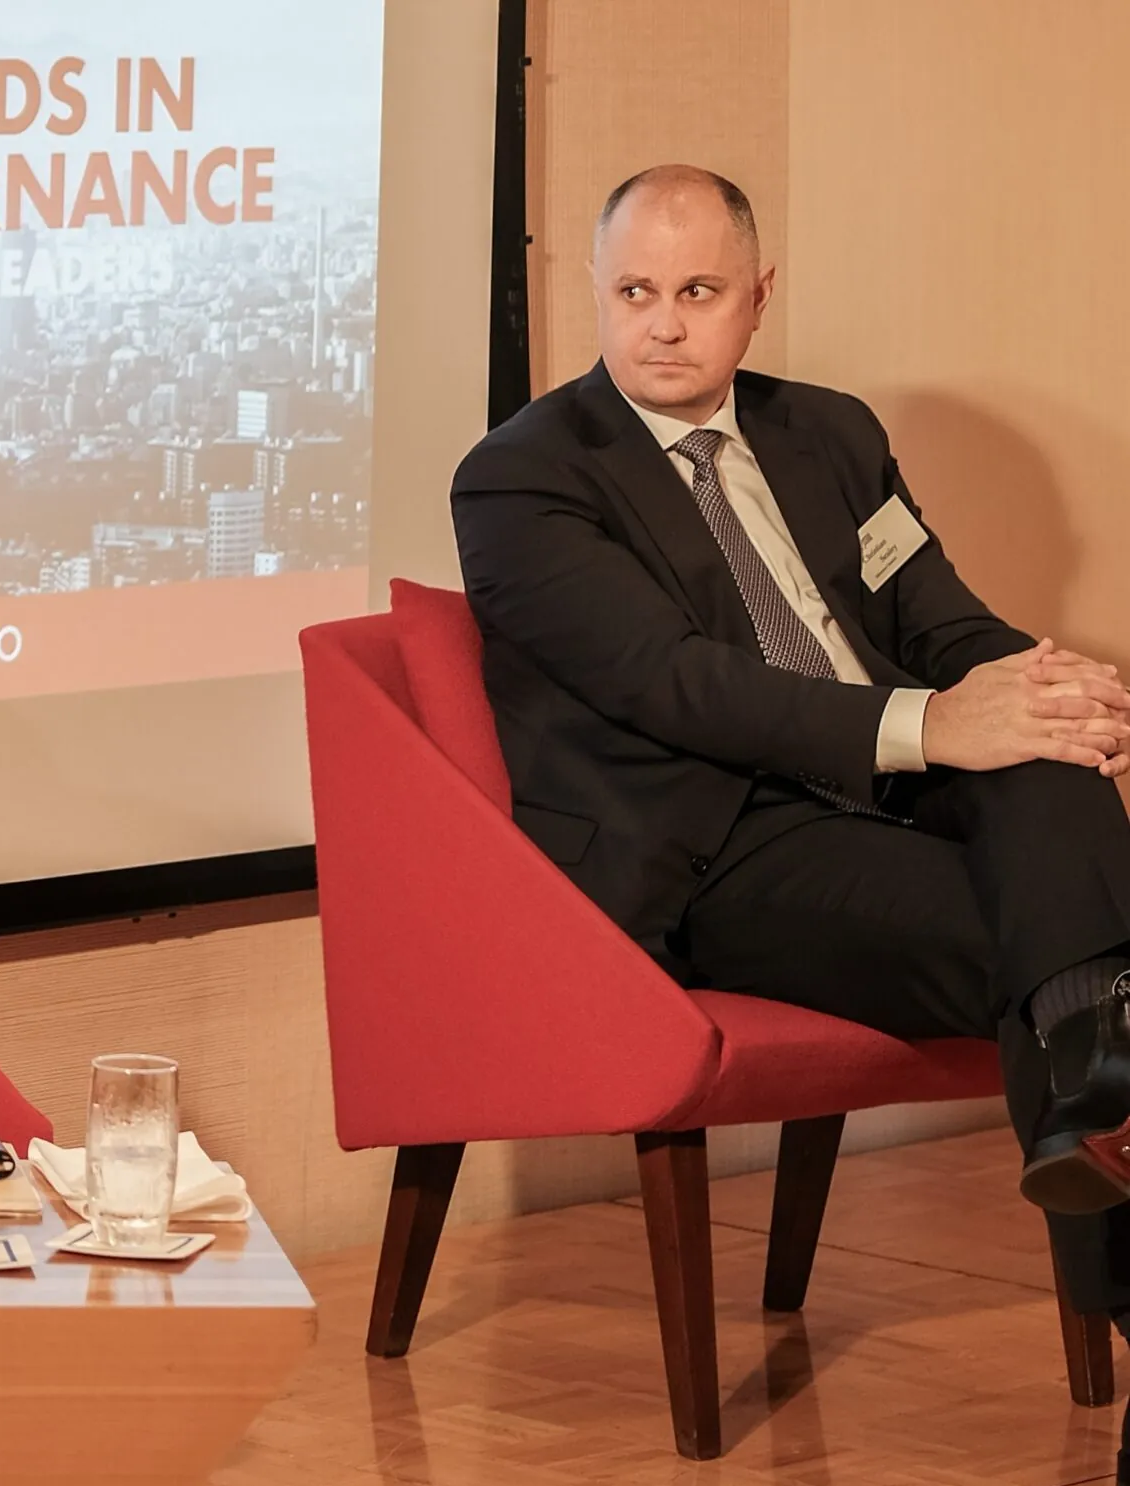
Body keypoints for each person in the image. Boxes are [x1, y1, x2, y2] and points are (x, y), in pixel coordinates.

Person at [449, 165, 1130, 1379]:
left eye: (697, 291)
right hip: (716, 845)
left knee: (1047, 756)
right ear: (592, 292)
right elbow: (679, 684)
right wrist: (936, 725)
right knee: (1073, 927)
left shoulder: (829, 431)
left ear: (757, 297)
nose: (663, 324)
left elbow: (937, 619)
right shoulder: (524, 475)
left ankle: (1095, 1081)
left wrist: (1040, 686)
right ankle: (1097, 1074)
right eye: (635, 291)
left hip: (882, 789)